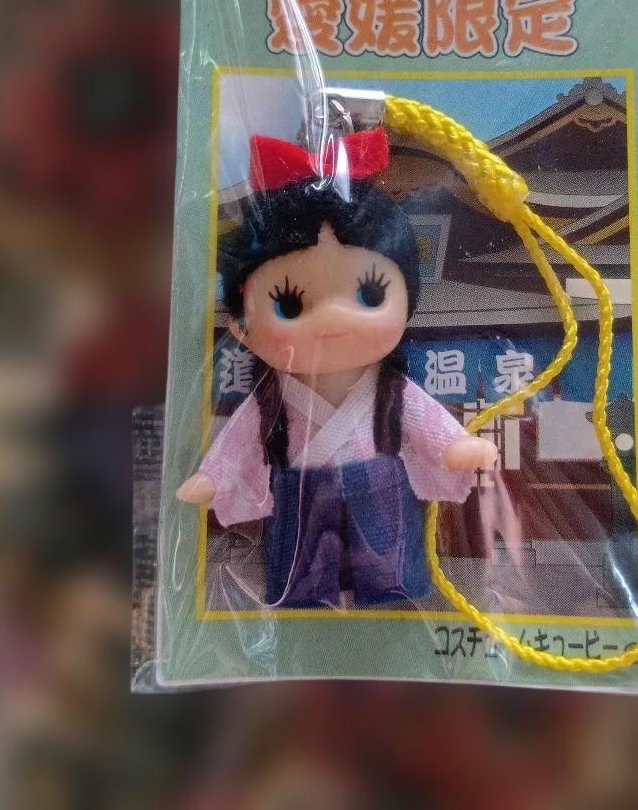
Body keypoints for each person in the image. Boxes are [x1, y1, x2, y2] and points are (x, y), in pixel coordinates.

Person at [176, 129, 497, 608]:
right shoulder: (272, 396)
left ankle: (389, 586)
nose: (332, 319)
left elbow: (423, 420)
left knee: (388, 571)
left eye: (369, 295)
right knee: (302, 576)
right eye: (289, 305)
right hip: (300, 493)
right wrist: (215, 477)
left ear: (408, 302)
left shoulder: (389, 389)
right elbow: (242, 439)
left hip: (379, 488)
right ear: (241, 328)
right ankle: (304, 591)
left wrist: (455, 445)